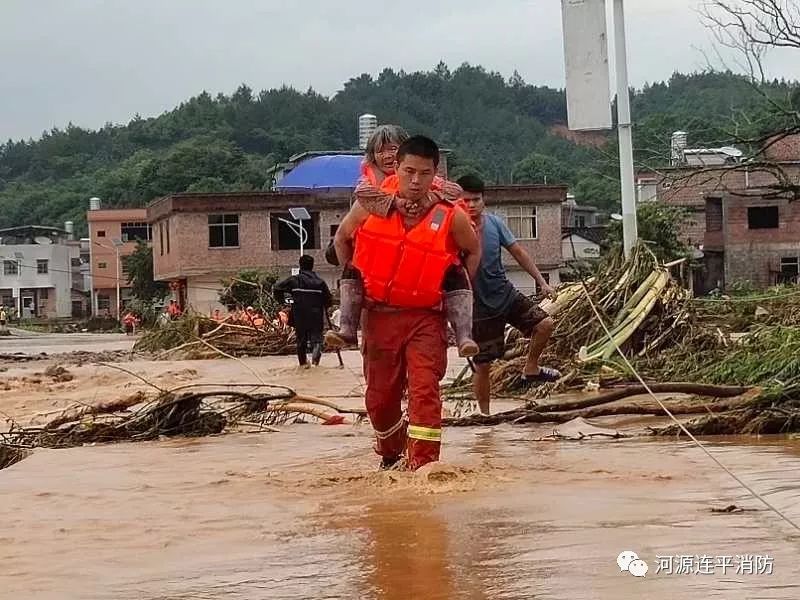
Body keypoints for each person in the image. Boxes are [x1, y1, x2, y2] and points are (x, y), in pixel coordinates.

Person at [334, 135, 480, 470]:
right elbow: (342, 238)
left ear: (435, 174)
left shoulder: (450, 215)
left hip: (426, 319)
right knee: (380, 400)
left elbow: (472, 250)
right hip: (379, 316)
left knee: (425, 392)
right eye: (409, 171)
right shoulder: (369, 205)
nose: (416, 181)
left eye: (425, 173)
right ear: (395, 168)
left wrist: (457, 291)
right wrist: (355, 283)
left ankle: (425, 468)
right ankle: (391, 452)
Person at [325, 125, 477, 357]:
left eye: (392, 149)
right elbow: (346, 230)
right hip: (376, 284)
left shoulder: (432, 184)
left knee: (454, 274)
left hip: (423, 301)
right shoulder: (367, 188)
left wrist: (430, 198)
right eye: (380, 151)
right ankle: (347, 327)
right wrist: (395, 202)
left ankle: (462, 332)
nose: (386, 155)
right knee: (380, 384)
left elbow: (455, 194)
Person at [457, 174, 560, 416]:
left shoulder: (495, 224)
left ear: (484, 200)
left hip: (504, 293)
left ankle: (531, 368)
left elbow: (519, 252)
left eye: (476, 200)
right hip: (476, 305)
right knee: (482, 366)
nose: (471, 205)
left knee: (545, 324)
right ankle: (485, 416)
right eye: (466, 201)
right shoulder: (453, 229)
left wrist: (542, 282)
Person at [273, 255, 333, 367]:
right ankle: (315, 364)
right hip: (316, 316)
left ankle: (303, 364)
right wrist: (323, 304)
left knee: (301, 341)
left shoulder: (294, 280)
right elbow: (329, 301)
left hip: (299, 316)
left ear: (300, 265)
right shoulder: (320, 283)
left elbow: (277, 288)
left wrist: (283, 301)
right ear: (312, 266)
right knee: (317, 341)